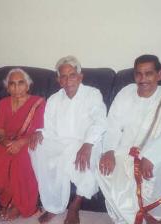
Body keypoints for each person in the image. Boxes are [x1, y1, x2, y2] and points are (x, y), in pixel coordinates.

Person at [96, 55, 161, 224]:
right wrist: (109, 151)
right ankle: (134, 218)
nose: (143, 79)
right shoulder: (126, 92)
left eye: (148, 73)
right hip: (124, 149)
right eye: (138, 74)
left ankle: (155, 218)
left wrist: (151, 156)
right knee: (103, 168)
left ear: (159, 75)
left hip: (159, 151)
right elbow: (112, 124)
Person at [29, 56, 107, 224]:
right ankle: (53, 205)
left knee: (84, 158)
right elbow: (49, 128)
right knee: (35, 147)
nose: (68, 80)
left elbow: (100, 121)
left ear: (80, 77)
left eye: (72, 75)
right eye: (63, 76)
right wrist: (40, 132)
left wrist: (87, 144)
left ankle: (74, 206)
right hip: (62, 142)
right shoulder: (54, 99)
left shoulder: (92, 94)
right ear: (58, 80)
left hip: (87, 142)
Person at [0, 68, 45, 221]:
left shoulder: (38, 103)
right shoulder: (3, 103)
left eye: (21, 83)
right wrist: (5, 142)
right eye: (12, 84)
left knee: (21, 157)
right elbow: (1, 130)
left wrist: (20, 142)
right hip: (8, 141)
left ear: (28, 85)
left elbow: (39, 130)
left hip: (29, 141)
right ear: (7, 87)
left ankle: (19, 204)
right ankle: (4, 200)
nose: (16, 88)